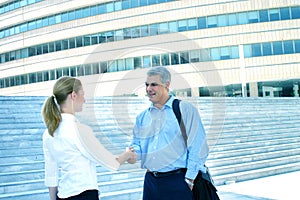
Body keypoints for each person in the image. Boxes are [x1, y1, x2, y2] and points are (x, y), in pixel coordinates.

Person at [128, 66, 217, 200]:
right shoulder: (142, 117)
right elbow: (138, 145)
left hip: (178, 182)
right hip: (151, 183)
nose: (148, 89)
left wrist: (189, 179)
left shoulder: (184, 110)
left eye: (154, 84)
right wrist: (132, 154)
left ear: (167, 85)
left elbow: (198, 147)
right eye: (146, 85)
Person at [42, 76, 135, 200]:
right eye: (83, 94)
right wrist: (128, 154)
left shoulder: (48, 133)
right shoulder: (80, 130)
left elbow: (51, 174)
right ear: (73, 96)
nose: (84, 100)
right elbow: (110, 162)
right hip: (84, 195)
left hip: (62, 196)